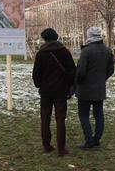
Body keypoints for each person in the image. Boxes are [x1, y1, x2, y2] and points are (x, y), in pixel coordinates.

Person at [32, 28, 76, 156]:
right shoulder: (64, 52)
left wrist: (39, 84)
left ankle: (46, 146)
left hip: (45, 91)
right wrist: (69, 85)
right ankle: (61, 149)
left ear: (44, 39)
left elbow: (36, 74)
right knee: (60, 120)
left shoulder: (41, 53)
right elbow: (72, 71)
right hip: (61, 91)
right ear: (56, 37)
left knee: (45, 119)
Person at [75, 27, 115, 149]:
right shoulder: (108, 50)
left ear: (89, 36)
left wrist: (78, 83)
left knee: (83, 115)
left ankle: (89, 141)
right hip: (99, 88)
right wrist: (102, 79)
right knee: (99, 114)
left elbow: (80, 71)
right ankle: (96, 139)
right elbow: (111, 69)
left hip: (85, 89)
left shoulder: (86, 51)